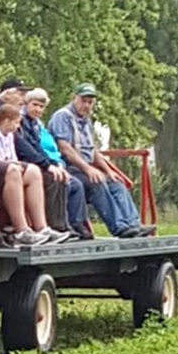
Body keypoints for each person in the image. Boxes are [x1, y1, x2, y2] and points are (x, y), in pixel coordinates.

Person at [47, 83, 156, 238]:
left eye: (90, 102)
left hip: (83, 168)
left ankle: (134, 224)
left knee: (117, 183)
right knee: (96, 182)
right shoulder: (62, 117)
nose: (86, 105)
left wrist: (108, 170)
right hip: (67, 167)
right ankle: (119, 227)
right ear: (74, 98)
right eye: (83, 100)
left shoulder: (86, 121)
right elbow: (64, 148)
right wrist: (88, 169)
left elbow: (93, 151)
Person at [16, 88, 92, 240]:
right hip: (24, 163)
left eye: (41, 107)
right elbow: (26, 149)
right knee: (54, 179)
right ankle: (56, 226)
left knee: (74, 183)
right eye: (34, 105)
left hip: (37, 163)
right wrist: (47, 165)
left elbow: (38, 148)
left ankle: (75, 224)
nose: (37, 109)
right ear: (26, 104)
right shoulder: (21, 122)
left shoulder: (35, 124)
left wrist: (52, 164)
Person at [0, 104, 70, 246]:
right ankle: (21, 231)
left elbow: (13, 155)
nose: (18, 127)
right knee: (14, 171)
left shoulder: (10, 136)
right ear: (6, 121)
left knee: (34, 171)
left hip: (10, 166)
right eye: (16, 123)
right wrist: (14, 164)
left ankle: (41, 228)